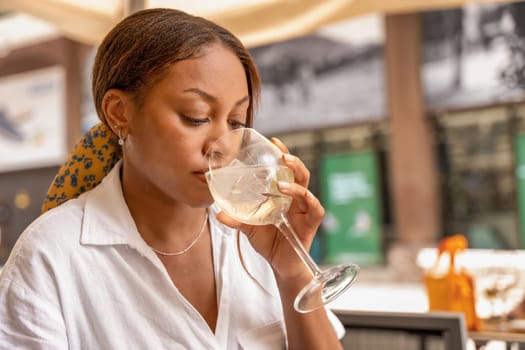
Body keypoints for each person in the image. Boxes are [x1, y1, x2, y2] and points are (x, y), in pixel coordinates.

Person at [0, 8, 344, 349]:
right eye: (195, 117)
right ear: (119, 112)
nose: (220, 146)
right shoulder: (52, 255)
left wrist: (292, 273)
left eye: (236, 122)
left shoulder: (256, 238)